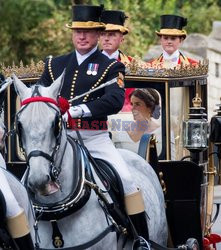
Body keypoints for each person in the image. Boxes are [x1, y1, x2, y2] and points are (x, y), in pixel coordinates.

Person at [40, 4, 149, 247]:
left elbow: (114, 99)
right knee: (30, 179)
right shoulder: (53, 65)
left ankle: (142, 240)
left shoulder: (111, 66)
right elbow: (39, 95)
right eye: (77, 31)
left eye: (88, 32)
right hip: (58, 141)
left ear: (98, 34)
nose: (81, 36)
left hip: (94, 138)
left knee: (127, 180)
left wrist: (78, 110)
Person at [99, 10, 134, 111]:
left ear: (122, 39)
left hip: (125, 118)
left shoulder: (133, 64)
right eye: (103, 34)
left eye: (112, 34)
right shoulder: (89, 63)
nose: (106, 38)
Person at [110, 88, 162, 154]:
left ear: (150, 107)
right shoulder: (122, 130)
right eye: (132, 104)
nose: (132, 108)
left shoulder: (163, 133)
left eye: (137, 104)